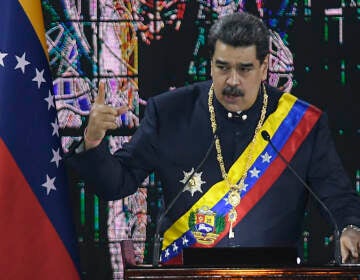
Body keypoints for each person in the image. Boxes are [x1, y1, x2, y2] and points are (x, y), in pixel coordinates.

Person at [67, 12, 360, 265]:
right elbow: (119, 182)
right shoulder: (170, 112)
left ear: (264, 67)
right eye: (223, 67)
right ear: (210, 64)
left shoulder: (299, 123)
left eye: (244, 69)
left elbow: (336, 194)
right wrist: (92, 142)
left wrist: (349, 228)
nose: (233, 80)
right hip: (184, 273)